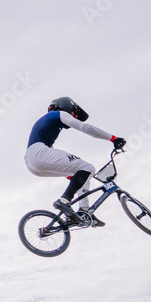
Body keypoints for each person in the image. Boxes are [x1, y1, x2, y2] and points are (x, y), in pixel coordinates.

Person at [25, 96, 126, 226]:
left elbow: (78, 178)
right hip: (39, 153)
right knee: (88, 168)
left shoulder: (49, 122)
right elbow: (86, 128)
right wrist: (113, 139)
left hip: (32, 163)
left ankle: (85, 211)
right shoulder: (58, 113)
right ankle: (64, 201)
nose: (75, 117)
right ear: (65, 106)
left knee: (81, 175)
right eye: (74, 113)